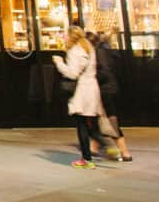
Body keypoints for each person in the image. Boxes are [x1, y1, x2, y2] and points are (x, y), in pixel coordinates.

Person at [52, 25, 105, 169]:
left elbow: (72, 73)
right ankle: (98, 144)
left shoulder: (75, 51)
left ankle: (87, 158)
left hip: (82, 90)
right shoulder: (88, 47)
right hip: (92, 88)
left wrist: (59, 63)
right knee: (88, 122)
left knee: (81, 124)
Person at [91, 31, 133, 162]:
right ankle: (93, 148)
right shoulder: (106, 50)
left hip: (104, 90)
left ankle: (124, 151)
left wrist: (89, 76)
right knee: (100, 119)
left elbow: (103, 73)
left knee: (109, 120)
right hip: (109, 88)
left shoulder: (98, 53)